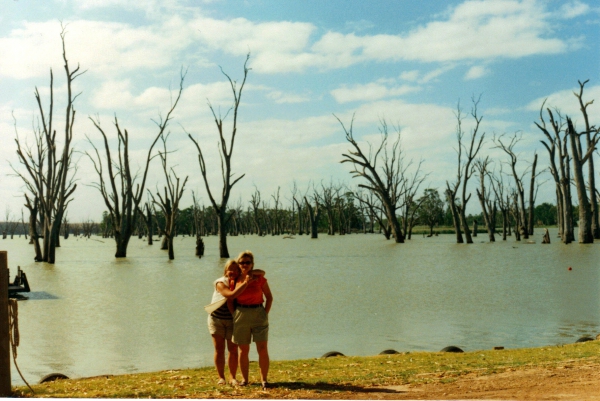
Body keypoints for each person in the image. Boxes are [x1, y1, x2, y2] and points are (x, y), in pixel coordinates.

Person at [207, 260, 264, 385]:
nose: (232, 271)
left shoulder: (239, 281)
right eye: (229, 269)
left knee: (233, 349)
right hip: (216, 319)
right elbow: (231, 295)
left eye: (235, 269)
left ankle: (232, 377)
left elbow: (262, 272)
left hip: (233, 320)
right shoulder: (220, 282)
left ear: (239, 271)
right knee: (219, 349)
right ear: (225, 271)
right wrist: (246, 282)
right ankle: (221, 377)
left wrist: (249, 273)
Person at [232, 250, 273, 389]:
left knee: (262, 348)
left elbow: (269, 297)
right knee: (243, 349)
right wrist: (234, 314)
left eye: (247, 262)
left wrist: (264, 313)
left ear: (252, 264)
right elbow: (230, 299)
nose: (244, 265)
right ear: (238, 264)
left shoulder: (259, 278)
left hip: (258, 313)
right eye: (242, 262)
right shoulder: (235, 279)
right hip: (241, 313)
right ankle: (244, 379)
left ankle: (264, 380)